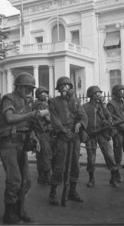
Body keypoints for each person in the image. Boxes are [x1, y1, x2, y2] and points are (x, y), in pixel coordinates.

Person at [0, 72, 47, 224]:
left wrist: (34, 139)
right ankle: (9, 215)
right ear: (18, 87)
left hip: (21, 144)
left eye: (30, 88)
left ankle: (20, 211)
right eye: (26, 88)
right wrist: (31, 114)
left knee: (26, 181)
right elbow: (10, 118)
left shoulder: (27, 102)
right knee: (14, 181)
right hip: (8, 143)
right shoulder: (9, 98)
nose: (28, 91)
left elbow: (27, 125)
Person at [48, 76, 88, 206]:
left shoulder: (76, 101)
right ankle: (53, 193)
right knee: (59, 165)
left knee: (75, 165)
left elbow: (83, 116)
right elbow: (55, 119)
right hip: (62, 137)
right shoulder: (53, 102)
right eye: (61, 86)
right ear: (58, 88)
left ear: (70, 87)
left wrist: (80, 124)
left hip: (74, 137)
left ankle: (72, 191)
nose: (64, 88)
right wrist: (64, 131)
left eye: (66, 85)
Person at [83, 85, 119, 188]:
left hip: (102, 133)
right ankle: (91, 179)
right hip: (91, 134)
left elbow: (109, 118)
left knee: (109, 155)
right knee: (91, 158)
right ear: (91, 95)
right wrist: (84, 133)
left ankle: (113, 178)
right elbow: (81, 120)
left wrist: (106, 121)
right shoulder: (85, 107)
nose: (99, 95)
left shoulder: (103, 107)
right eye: (97, 93)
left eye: (100, 93)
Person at [33, 86, 53, 185]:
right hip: (43, 132)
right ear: (38, 95)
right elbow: (48, 119)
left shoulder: (34, 104)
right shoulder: (41, 105)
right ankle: (47, 176)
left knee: (40, 155)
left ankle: (41, 176)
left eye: (46, 93)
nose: (46, 95)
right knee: (47, 154)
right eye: (43, 93)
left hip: (37, 133)